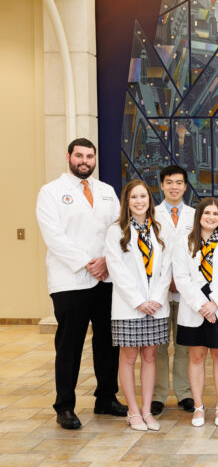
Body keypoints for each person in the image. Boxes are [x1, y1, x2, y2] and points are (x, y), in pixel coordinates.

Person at [36, 138, 127, 430]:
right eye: (79, 156)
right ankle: (65, 406)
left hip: (106, 278)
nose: (85, 161)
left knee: (107, 343)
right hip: (70, 280)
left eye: (89, 156)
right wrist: (90, 262)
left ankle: (106, 398)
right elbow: (54, 237)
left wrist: (106, 261)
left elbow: (118, 229)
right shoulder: (51, 192)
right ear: (68, 157)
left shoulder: (106, 191)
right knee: (69, 345)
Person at [105, 180, 172, 431]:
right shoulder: (116, 231)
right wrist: (138, 301)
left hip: (155, 305)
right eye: (134, 197)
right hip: (128, 306)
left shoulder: (159, 229)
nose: (139, 201)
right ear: (127, 201)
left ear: (149, 200)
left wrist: (155, 298)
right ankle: (132, 411)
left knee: (150, 355)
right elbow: (117, 270)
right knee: (129, 356)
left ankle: (147, 410)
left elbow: (166, 268)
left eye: (143, 196)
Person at [173, 198, 218, 427]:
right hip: (195, 306)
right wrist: (202, 305)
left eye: (216, 214)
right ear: (199, 216)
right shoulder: (185, 241)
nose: (211, 217)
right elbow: (181, 278)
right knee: (196, 357)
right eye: (207, 213)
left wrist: (214, 303)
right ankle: (199, 407)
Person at [152, 165, 195, 415]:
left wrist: (182, 280)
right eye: (169, 182)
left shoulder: (194, 214)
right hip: (159, 291)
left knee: (183, 345)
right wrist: (166, 279)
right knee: (158, 345)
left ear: (185, 186)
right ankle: (158, 394)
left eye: (179, 182)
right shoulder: (151, 214)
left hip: (186, 291)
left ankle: (184, 393)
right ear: (162, 185)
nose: (174, 187)